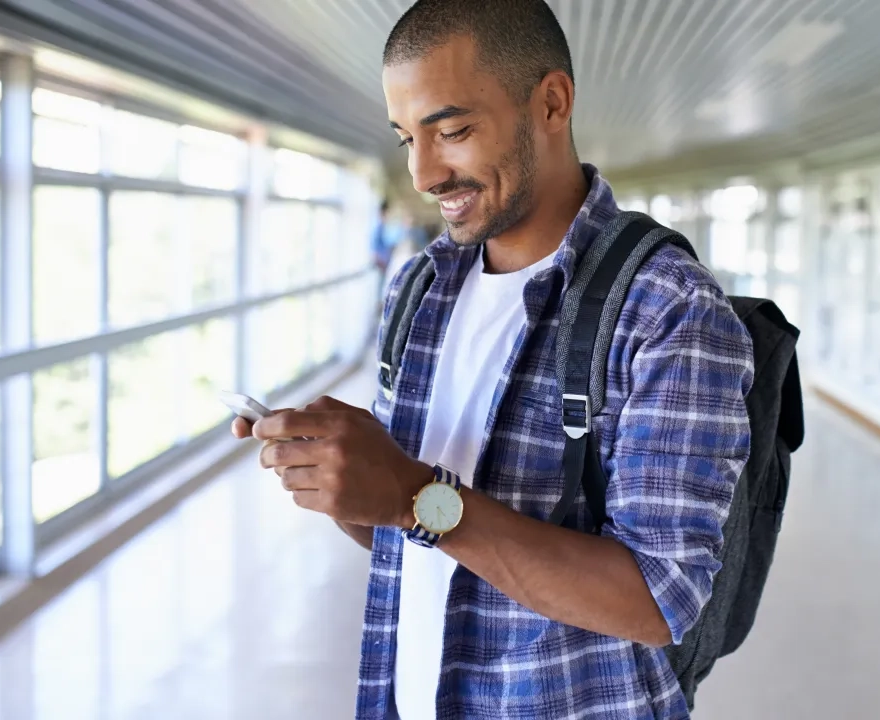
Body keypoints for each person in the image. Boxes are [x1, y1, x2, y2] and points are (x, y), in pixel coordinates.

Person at [232, 0, 753, 717]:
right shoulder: (420, 288)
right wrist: (346, 479)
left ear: (551, 102)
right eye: (405, 138)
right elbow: (413, 535)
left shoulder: (666, 309)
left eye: (452, 130)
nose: (422, 173)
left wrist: (415, 494)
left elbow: (660, 600)